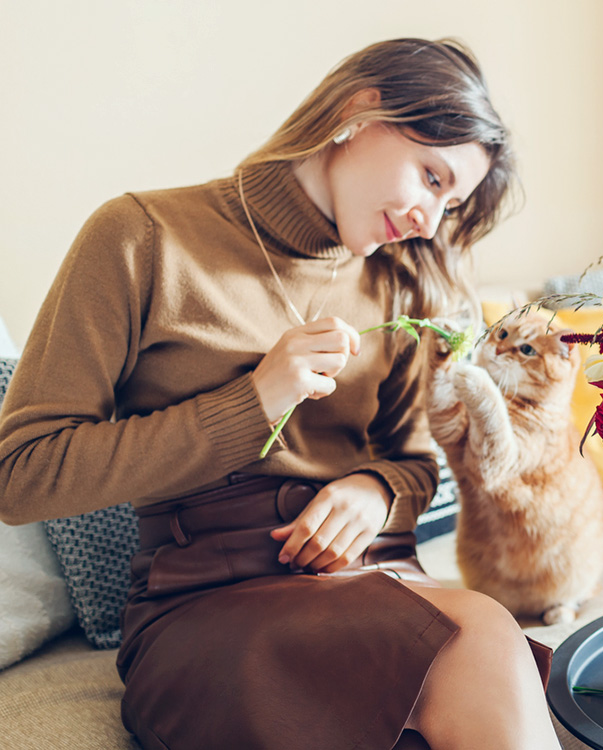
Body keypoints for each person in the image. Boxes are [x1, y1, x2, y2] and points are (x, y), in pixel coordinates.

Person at [0, 38, 562, 750]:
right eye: (431, 176)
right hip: (205, 600)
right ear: (362, 112)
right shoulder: (143, 238)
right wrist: (254, 401)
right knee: (475, 634)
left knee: (499, 673)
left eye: (449, 203)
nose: (429, 218)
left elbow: (415, 463)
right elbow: (22, 477)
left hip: (379, 574)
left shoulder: (402, 280)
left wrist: (375, 491)